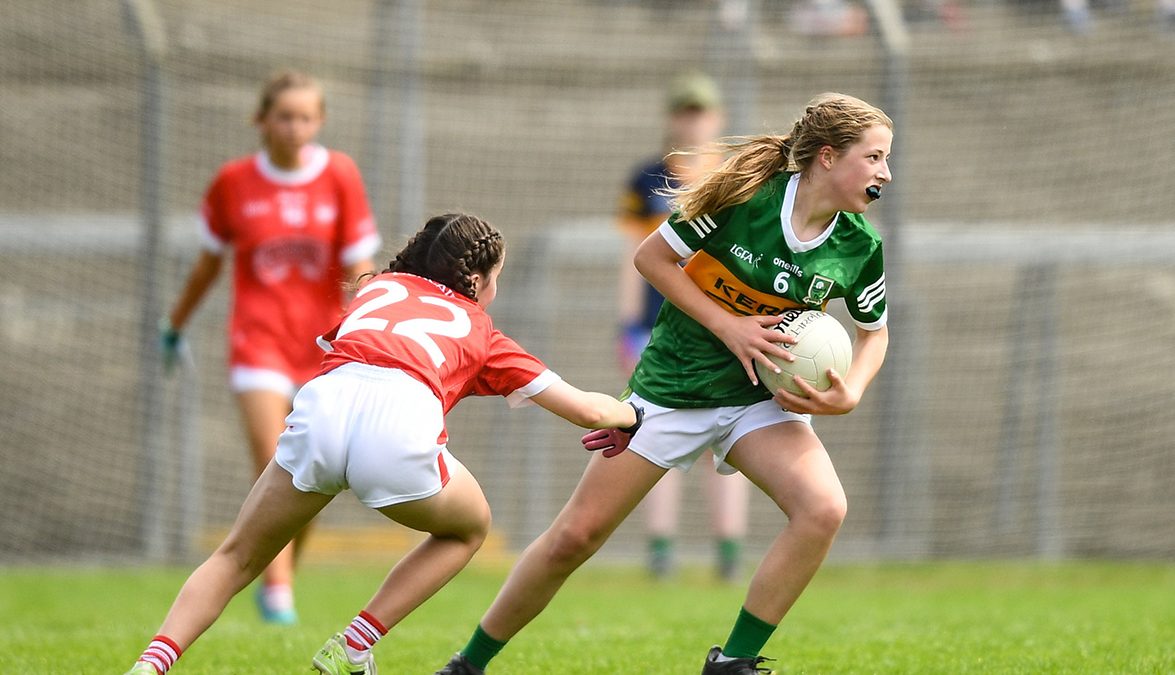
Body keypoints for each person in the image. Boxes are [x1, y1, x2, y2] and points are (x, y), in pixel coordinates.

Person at [434, 92, 892, 675]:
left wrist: (850, 390)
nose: (885, 173)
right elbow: (651, 259)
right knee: (576, 537)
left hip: (759, 402)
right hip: (674, 388)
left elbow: (874, 334)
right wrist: (731, 327)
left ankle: (734, 662)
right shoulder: (745, 196)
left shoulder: (860, 246)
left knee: (824, 508)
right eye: (875, 157)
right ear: (827, 157)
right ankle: (468, 665)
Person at [122, 213, 645, 675]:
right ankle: (353, 646)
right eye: (496, 279)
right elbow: (588, 410)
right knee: (471, 527)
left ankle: (150, 665)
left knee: (236, 557)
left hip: (324, 405)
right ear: (479, 279)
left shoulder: (378, 289)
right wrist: (635, 413)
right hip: (397, 427)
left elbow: (371, 349)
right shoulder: (483, 329)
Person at [158, 70, 381, 625]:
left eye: (306, 116)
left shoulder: (340, 175)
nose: (296, 127)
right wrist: (175, 323)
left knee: (315, 470)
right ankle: (278, 592)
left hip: (325, 344)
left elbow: (358, 262)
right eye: (285, 116)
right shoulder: (234, 182)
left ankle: (281, 572)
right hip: (257, 340)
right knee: (274, 456)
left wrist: (367, 319)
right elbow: (208, 264)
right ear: (262, 120)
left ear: (320, 121)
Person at [618, 72, 751, 581]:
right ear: (672, 118)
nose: (694, 122)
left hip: (724, 324)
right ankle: (661, 550)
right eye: (685, 112)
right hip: (662, 326)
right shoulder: (646, 178)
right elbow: (629, 256)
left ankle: (729, 553)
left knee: (732, 437)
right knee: (656, 431)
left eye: (702, 112)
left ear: (717, 118)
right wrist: (628, 325)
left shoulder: (739, 177)